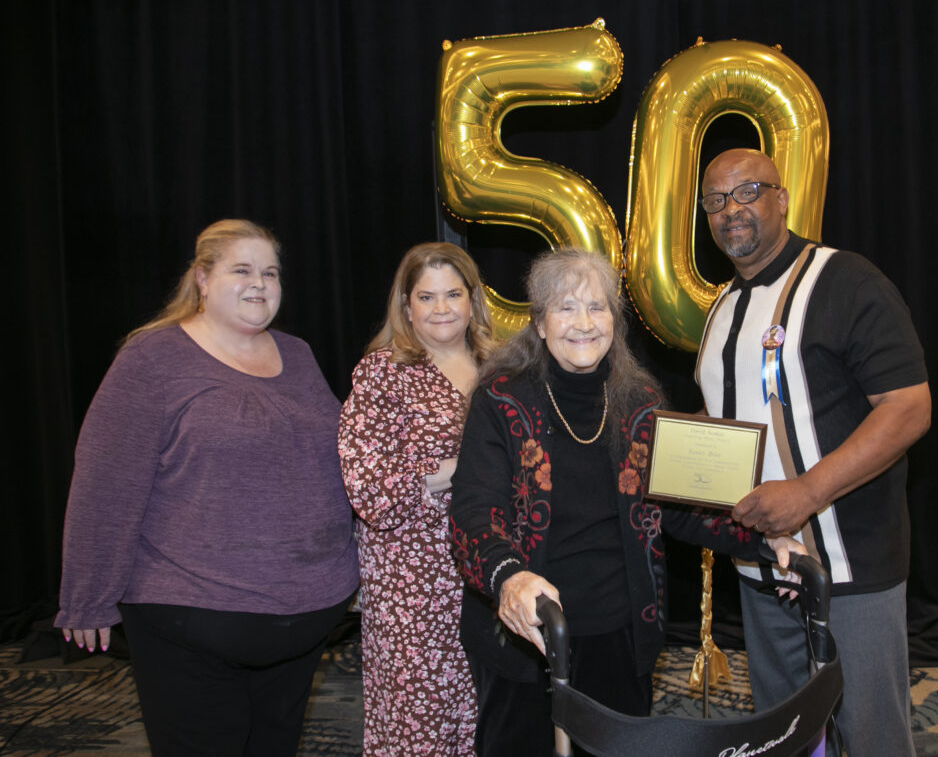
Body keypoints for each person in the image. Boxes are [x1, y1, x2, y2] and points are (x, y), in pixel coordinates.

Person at [449, 247, 804, 756]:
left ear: (614, 322)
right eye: (566, 308)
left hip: (620, 632)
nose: (583, 323)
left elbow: (682, 505)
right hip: (528, 634)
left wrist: (767, 538)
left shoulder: (640, 399)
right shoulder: (501, 399)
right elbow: (474, 511)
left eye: (597, 308)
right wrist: (511, 576)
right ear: (541, 324)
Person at [56, 219, 359, 756]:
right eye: (241, 269)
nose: (260, 283)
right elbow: (106, 485)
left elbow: (334, 463)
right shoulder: (152, 359)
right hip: (190, 614)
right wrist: (88, 598)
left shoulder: (298, 353)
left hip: (305, 617)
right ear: (202, 278)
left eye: (270, 272)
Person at [694, 148, 932, 757]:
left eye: (747, 192)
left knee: (873, 734)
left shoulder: (846, 279)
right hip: (760, 566)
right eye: (715, 200)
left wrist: (807, 492)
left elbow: (908, 407)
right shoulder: (721, 308)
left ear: (782, 197)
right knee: (784, 735)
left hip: (850, 564)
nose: (731, 211)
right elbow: (730, 421)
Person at [337, 242, 492, 755]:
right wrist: (446, 473)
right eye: (427, 297)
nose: (442, 308)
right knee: (417, 722)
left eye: (453, 294)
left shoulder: (501, 368)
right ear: (406, 307)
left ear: (474, 300)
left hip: (487, 567)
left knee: (486, 711)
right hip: (413, 586)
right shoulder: (383, 372)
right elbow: (367, 488)